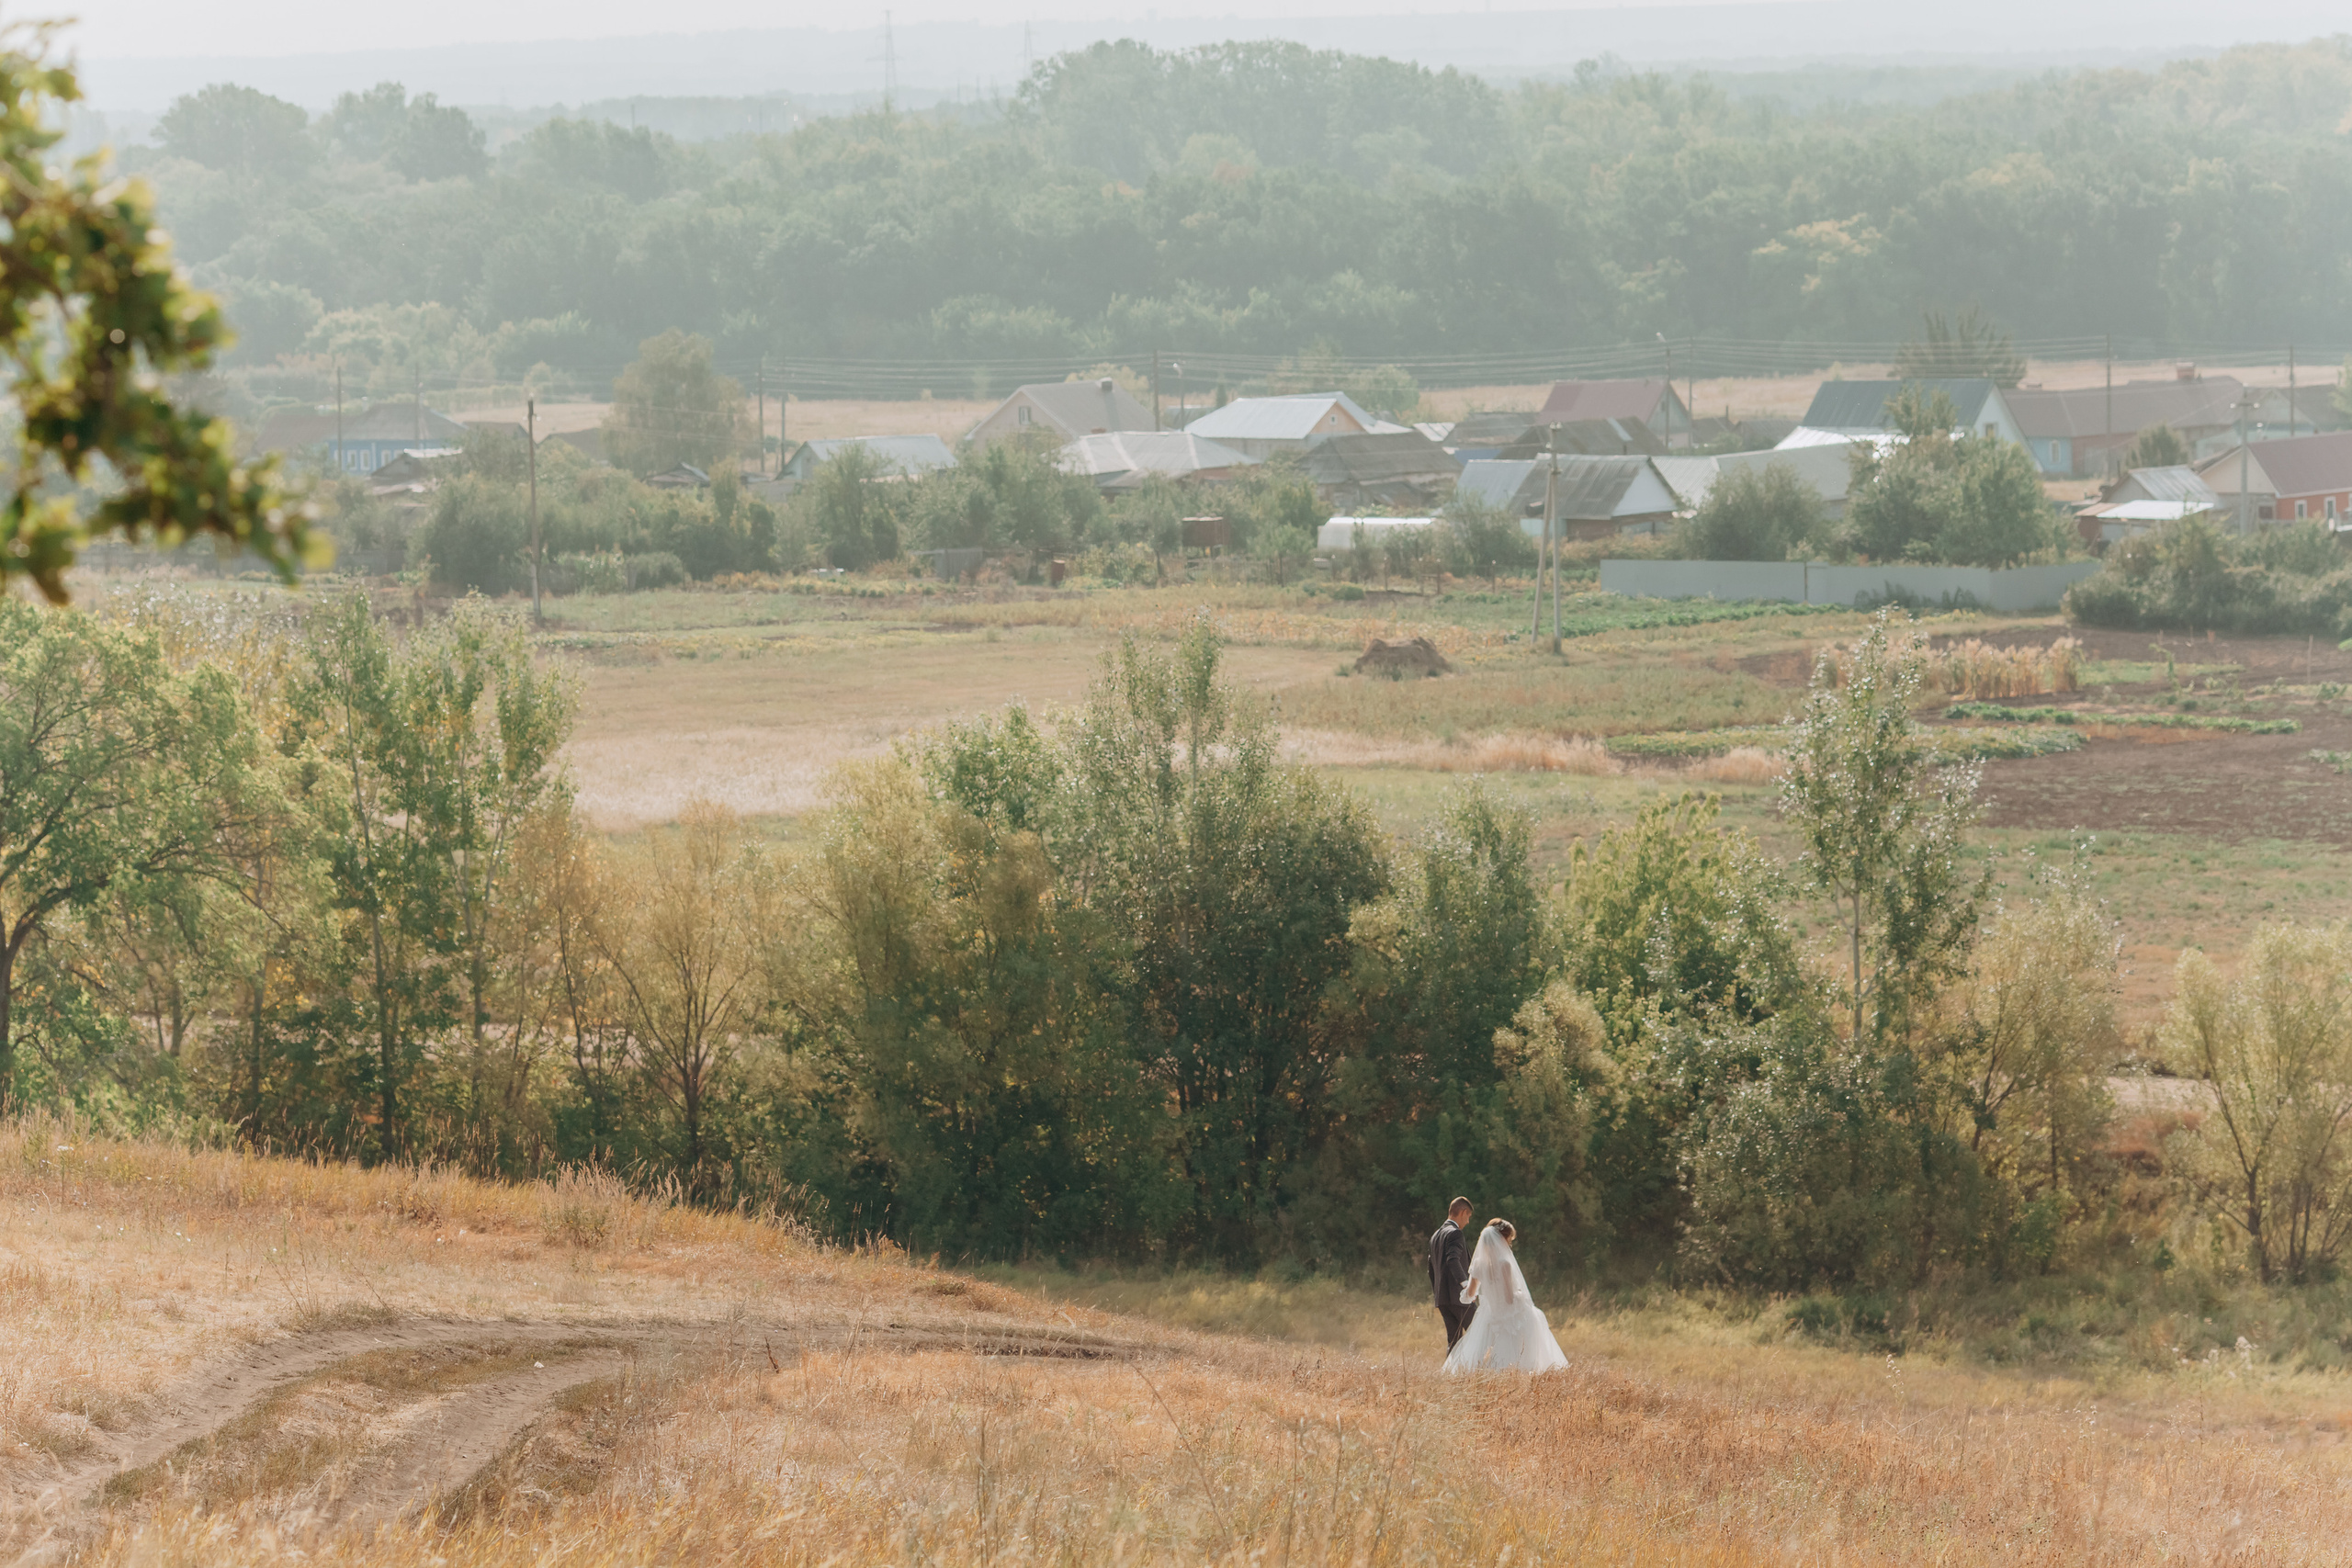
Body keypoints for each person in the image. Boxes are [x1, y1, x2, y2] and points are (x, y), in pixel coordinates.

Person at [1442, 1220, 1568, 1375]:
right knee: (1533, 1324)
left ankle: (1479, 1374)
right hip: (1506, 1313)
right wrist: (1521, 1295)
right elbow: (1509, 1298)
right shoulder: (1504, 1263)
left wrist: (1467, 1294)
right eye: (1509, 1240)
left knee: (1480, 1347)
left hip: (1490, 1314)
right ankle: (1520, 1372)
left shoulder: (1478, 1264)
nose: (1509, 1243)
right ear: (1501, 1239)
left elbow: (1469, 1294)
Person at [1428, 1197, 1477, 1351]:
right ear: (1463, 1212)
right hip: (1459, 1297)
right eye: (1468, 1216)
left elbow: (1431, 1268)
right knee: (1479, 1334)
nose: (1468, 1222)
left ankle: (1449, 1375)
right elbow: (1453, 1260)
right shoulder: (1455, 1233)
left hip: (1442, 1299)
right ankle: (1481, 1372)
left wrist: (1438, 1292)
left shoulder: (1435, 1236)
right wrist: (1466, 1286)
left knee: (1454, 1343)